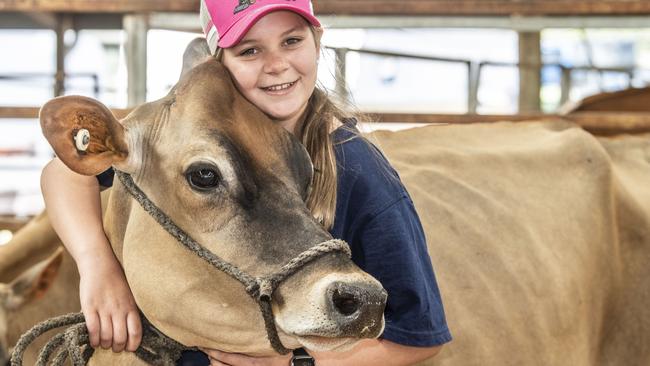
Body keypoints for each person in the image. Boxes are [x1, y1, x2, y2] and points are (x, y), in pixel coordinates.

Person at [40, 0, 452, 365]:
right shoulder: (201, 138)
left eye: (291, 41)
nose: (276, 65)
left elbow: (417, 336)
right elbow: (63, 172)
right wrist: (97, 265)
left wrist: (295, 365)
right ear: (217, 63)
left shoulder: (356, 167)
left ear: (317, 41)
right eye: (250, 50)